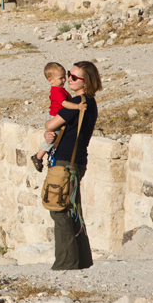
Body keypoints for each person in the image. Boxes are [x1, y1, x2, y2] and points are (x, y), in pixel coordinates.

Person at [43, 61, 102, 270]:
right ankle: (82, 260)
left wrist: (48, 131)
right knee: (73, 209)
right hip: (76, 161)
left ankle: (66, 262)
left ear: (86, 82)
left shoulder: (78, 103)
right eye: (69, 74)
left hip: (65, 163)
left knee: (59, 209)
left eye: (74, 77)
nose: (69, 79)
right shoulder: (90, 103)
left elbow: (50, 124)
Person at [30, 62, 87, 172]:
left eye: (65, 77)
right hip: (54, 116)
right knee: (52, 137)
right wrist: (77, 106)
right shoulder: (56, 91)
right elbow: (64, 104)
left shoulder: (60, 89)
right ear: (50, 80)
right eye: (61, 78)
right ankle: (38, 156)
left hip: (55, 115)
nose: (65, 80)